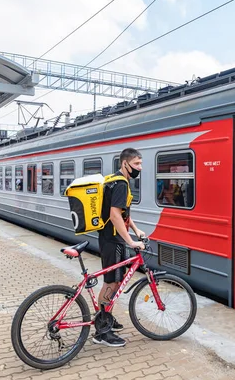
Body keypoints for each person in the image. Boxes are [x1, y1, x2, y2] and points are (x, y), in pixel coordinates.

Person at [93, 147, 145, 347]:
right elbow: (115, 215)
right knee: (110, 284)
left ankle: (107, 317)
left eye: (140, 164)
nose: (139, 168)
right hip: (112, 240)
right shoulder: (121, 184)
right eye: (136, 164)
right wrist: (131, 242)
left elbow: (123, 214)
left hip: (111, 239)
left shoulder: (115, 179)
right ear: (125, 163)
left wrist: (136, 229)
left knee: (115, 281)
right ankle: (102, 331)